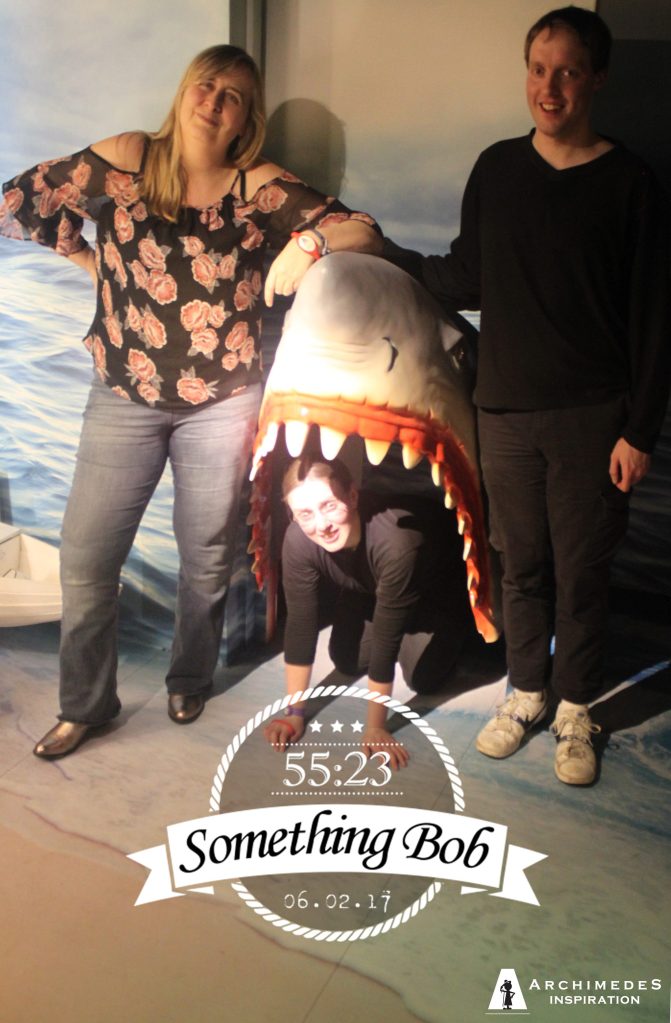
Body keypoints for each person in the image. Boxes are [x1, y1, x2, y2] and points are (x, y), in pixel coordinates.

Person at [0, 44, 382, 759]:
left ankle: (189, 675)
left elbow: (362, 230)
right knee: (86, 557)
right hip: (123, 397)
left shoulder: (255, 184)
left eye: (233, 95)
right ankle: (85, 705)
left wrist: (306, 241)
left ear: (247, 120)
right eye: (206, 84)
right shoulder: (126, 159)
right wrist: (86, 259)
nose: (214, 100)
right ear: (184, 91)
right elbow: (17, 203)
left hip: (222, 405)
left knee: (206, 558)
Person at [414, 7, 670, 784]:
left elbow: (656, 322)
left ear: (594, 77)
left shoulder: (632, 184)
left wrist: (639, 432)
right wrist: (368, 250)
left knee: (583, 570)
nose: (547, 87)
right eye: (536, 69)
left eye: (565, 71)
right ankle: (526, 692)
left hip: (594, 418)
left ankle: (574, 710)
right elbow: (461, 276)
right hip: (504, 411)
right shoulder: (495, 168)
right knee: (518, 563)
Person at [263, 455, 473, 770]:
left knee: (423, 677)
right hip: (372, 590)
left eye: (329, 506)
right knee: (347, 660)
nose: (322, 526)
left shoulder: (396, 542)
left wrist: (376, 727)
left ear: (352, 496)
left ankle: (453, 632)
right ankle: (396, 618)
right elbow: (301, 625)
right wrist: (295, 714)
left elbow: (387, 638)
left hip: (436, 592)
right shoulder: (298, 540)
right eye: (305, 513)